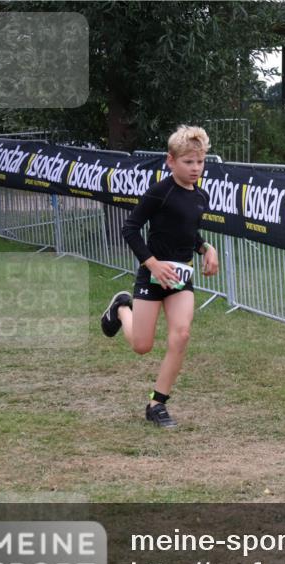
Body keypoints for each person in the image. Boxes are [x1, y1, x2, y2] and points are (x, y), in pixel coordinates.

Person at [100, 125, 219, 428]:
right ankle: (121, 309)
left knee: (181, 335)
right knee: (142, 346)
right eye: (188, 162)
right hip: (152, 275)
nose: (195, 168)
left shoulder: (200, 196)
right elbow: (130, 228)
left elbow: (188, 233)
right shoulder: (160, 192)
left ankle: (157, 404)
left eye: (200, 162)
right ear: (171, 161)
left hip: (180, 278)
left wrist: (207, 247)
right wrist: (152, 263)